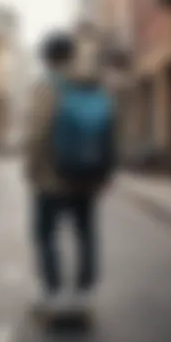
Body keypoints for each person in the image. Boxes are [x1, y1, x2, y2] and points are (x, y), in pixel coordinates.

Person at [25, 31, 116, 313]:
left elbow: (38, 133)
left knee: (46, 234)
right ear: (71, 54)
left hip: (51, 178)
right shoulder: (91, 84)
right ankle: (84, 292)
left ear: (45, 57)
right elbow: (109, 128)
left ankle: (52, 292)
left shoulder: (46, 86)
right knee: (85, 234)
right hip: (86, 176)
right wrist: (104, 173)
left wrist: (31, 170)